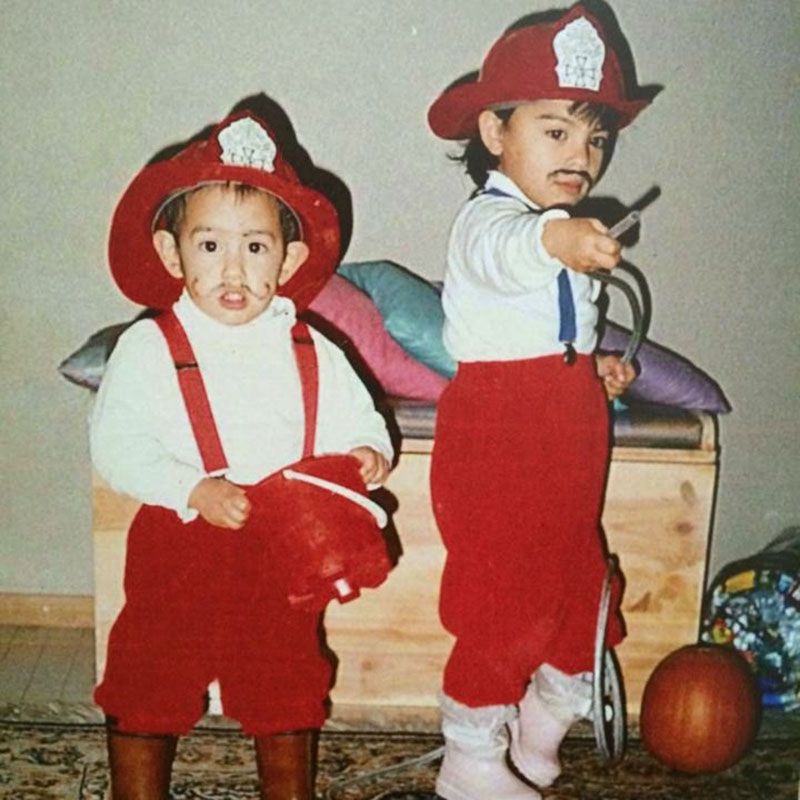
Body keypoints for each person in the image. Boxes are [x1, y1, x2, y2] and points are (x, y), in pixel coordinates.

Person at [90, 109, 393, 799]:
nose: (233, 268)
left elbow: (358, 418)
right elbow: (115, 442)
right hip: (181, 542)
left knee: (285, 680)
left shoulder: (310, 346)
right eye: (210, 246)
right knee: (149, 675)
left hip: (282, 549)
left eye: (256, 248)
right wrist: (190, 488)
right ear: (172, 254)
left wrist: (369, 450)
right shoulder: (149, 348)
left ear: (287, 261)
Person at [426, 5, 654, 798]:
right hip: (499, 435)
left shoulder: (555, 227)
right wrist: (559, 240)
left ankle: (540, 731)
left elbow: (550, 326)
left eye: (595, 138)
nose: (582, 156)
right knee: (503, 597)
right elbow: (509, 257)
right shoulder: (491, 222)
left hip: (567, 429)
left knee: (580, 589)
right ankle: (470, 764)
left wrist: (587, 371)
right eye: (556, 131)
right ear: (494, 131)